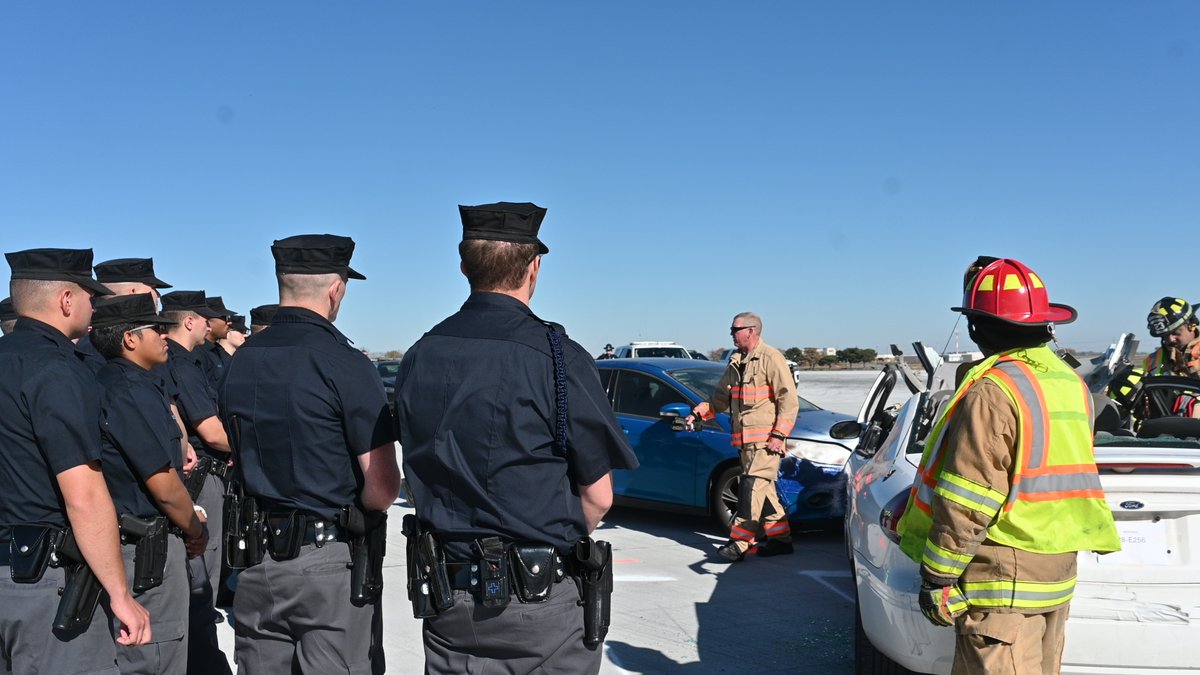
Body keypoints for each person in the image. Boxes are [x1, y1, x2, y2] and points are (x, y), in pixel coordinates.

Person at [396, 202, 638, 674]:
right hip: (540, 605)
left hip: (450, 602)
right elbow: (598, 496)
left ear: (463, 265)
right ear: (534, 267)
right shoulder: (557, 356)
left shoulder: (419, 354)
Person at [897, 257, 1120, 675]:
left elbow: (970, 496)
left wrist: (938, 577)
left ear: (978, 326)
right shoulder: (1070, 383)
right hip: (1054, 573)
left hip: (1004, 578)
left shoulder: (994, 390)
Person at [219, 234, 400, 674]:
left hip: (256, 558)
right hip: (326, 561)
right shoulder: (346, 363)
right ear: (336, 290)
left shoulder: (239, 361)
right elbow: (381, 488)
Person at [0, 247, 151, 673]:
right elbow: (83, 494)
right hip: (41, 587)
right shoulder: (58, 370)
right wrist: (120, 594)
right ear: (67, 299)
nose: (93, 305)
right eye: (89, 295)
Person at [90, 293, 210, 674]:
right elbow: (162, 481)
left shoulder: (114, 380)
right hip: (145, 553)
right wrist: (194, 529)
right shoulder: (129, 390)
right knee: (155, 657)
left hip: (129, 545)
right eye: (155, 329)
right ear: (129, 339)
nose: (164, 336)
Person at [686, 312, 798, 562]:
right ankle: (780, 539)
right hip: (745, 444)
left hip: (767, 442)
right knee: (763, 491)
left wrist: (779, 435)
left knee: (750, 490)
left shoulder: (771, 358)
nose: (731, 334)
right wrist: (699, 414)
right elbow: (719, 399)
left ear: (752, 330)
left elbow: (788, 400)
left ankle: (739, 543)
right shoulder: (737, 361)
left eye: (735, 329)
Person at [160, 289, 232, 674]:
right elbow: (213, 432)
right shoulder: (182, 363)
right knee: (202, 576)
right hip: (201, 479)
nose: (211, 323)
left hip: (191, 477)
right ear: (189, 321)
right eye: (205, 317)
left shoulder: (181, 360)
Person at [1143, 297, 1197, 376]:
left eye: (1175, 333)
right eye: (1164, 336)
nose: (1170, 339)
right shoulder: (1151, 361)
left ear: (1191, 325)